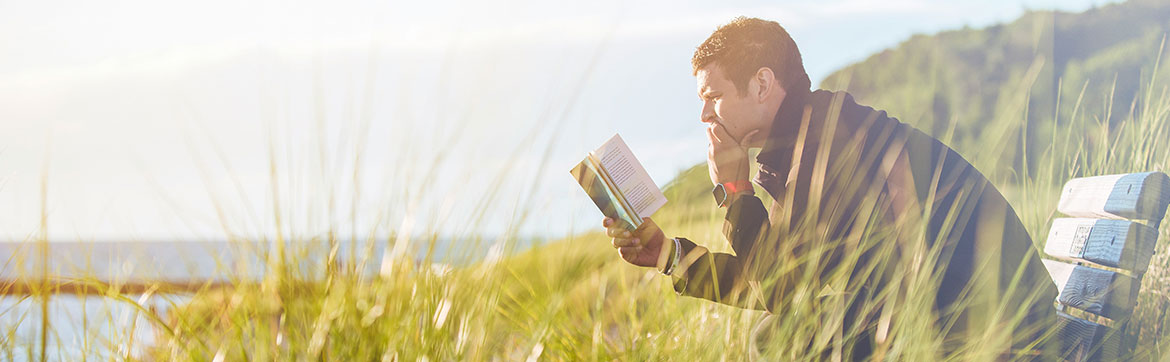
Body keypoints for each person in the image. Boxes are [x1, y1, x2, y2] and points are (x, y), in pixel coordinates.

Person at [601, 17, 1058, 359]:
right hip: (962, 325)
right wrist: (667, 254)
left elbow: (780, 291)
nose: (704, 116)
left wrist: (737, 190)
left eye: (712, 97)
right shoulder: (807, 138)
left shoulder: (831, 144)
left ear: (762, 83)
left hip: (1002, 339)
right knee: (784, 334)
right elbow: (780, 280)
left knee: (785, 339)